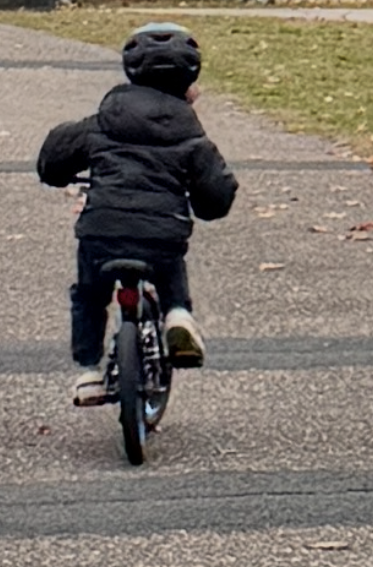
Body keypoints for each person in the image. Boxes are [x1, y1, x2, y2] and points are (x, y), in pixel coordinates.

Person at [37, 22, 238, 406]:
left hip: (102, 228)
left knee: (89, 295)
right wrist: (205, 202)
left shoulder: (102, 121)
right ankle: (177, 314)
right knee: (169, 263)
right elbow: (216, 195)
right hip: (162, 233)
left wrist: (58, 172)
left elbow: (54, 158)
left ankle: (89, 372)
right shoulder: (191, 136)